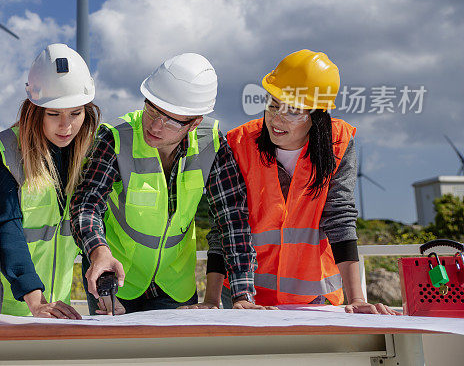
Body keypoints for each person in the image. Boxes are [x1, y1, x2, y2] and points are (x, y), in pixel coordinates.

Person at [203, 49, 396, 314]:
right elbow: (224, 225)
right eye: (272, 105)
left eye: (293, 111)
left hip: (311, 298)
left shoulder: (338, 143)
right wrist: (211, 300)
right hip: (243, 295)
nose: (277, 119)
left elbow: (340, 217)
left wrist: (357, 300)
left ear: (316, 117)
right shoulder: (238, 144)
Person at [71, 53, 262, 314]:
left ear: (195, 123)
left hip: (175, 287)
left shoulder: (212, 146)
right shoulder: (115, 138)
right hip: (114, 279)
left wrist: (242, 294)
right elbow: (86, 204)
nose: (156, 126)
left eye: (172, 120)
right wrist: (98, 253)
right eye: (152, 109)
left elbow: (232, 221)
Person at [0, 44, 99, 318]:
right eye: (53, 114)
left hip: (52, 304)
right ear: (34, 110)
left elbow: (90, 226)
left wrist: (100, 296)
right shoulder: (3, 151)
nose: (66, 126)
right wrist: (35, 299)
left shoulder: (88, 153)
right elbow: (6, 225)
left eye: (76, 113)